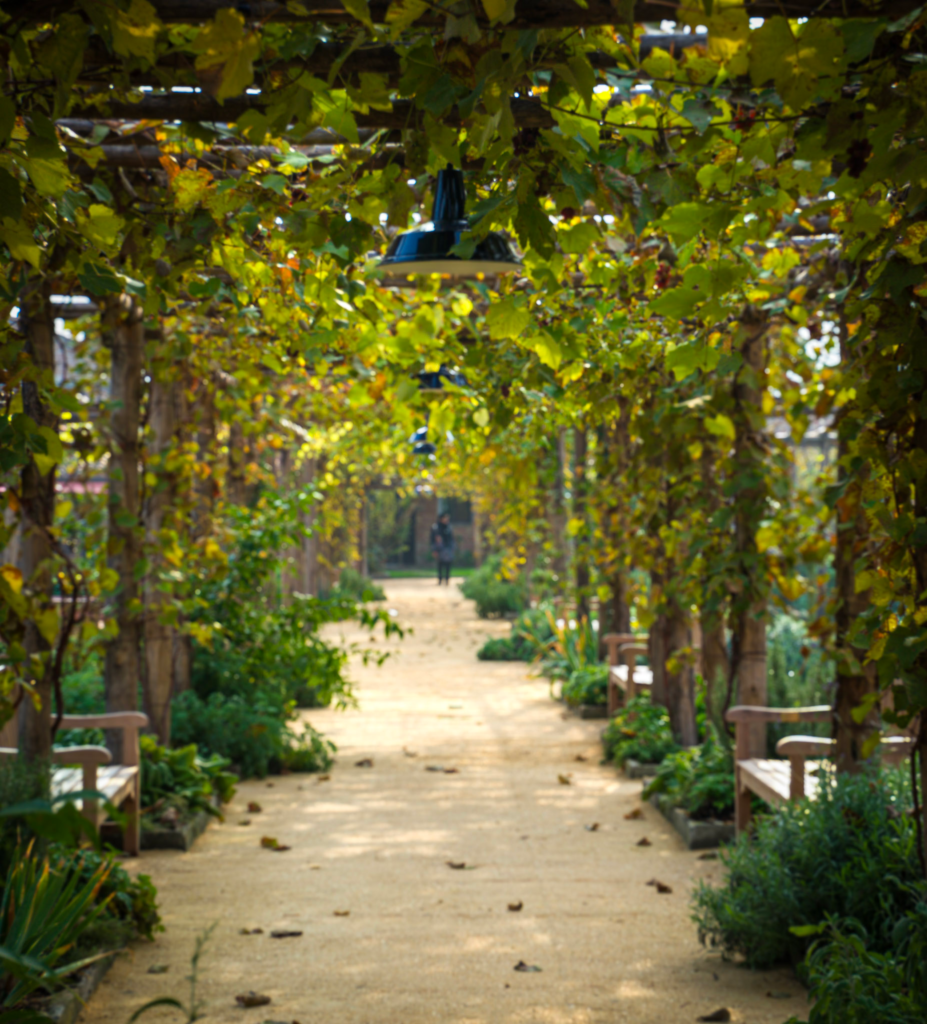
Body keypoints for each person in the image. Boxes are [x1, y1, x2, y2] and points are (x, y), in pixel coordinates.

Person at [430, 512, 455, 585]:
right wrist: (434, 550)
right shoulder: (436, 527)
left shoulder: (449, 527)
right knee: (440, 565)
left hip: (448, 548)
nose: (447, 519)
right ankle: (440, 580)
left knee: (448, 564)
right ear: (441, 519)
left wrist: (452, 547)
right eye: (445, 518)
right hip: (440, 548)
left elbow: (451, 538)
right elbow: (432, 539)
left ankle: (447, 580)